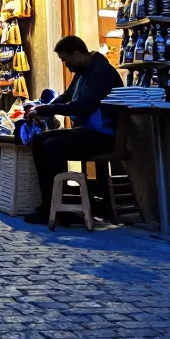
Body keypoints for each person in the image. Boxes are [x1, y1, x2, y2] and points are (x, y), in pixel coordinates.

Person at [23, 35, 123, 225]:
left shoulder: (100, 73)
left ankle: (61, 209)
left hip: (103, 136)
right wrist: (42, 106)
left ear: (77, 54)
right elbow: (66, 96)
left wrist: (46, 110)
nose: (65, 65)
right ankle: (49, 206)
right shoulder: (82, 71)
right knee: (39, 140)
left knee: (53, 146)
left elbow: (81, 106)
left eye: (65, 60)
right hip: (87, 132)